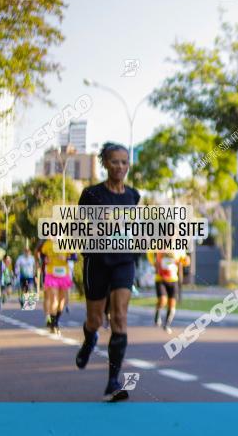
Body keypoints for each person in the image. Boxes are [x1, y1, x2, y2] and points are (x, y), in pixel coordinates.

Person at [74, 142, 141, 403]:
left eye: (125, 162)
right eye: (115, 162)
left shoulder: (133, 196)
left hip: (124, 261)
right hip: (97, 261)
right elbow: (79, 230)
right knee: (94, 319)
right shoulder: (90, 195)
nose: (120, 167)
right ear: (105, 163)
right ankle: (90, 338)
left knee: (120, 317)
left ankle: (113, 380)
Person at [37, 238, 76, 334]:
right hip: (51, 274)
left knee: (62, 301)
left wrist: (66, 258)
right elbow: (41, 254)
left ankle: (55, 321)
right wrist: (44, 259)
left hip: (63, 275)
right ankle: (53, 324)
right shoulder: (47, 244)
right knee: (54, 299)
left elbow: (75, 257)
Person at [148, 249, 188, 333]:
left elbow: (184, 260)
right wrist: (154, 262)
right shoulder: (158, 244)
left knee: (172, 304)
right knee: (163, 300)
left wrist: (186, 261)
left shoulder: (179, 246)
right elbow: (149, 253)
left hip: (173, 279)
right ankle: (157, 312)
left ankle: (167, 324)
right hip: (160, 278)